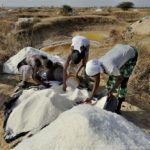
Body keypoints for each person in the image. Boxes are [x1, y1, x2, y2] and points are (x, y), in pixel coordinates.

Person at [85, 44, 138, 114]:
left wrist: (111, 91)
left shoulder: (110, 68)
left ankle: (118, 107)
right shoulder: (98, 64)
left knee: (123, 82)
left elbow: (120, 79)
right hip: (120, 50)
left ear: (97, 71)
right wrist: (91, 97)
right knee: (113, 77)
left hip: (131, 54)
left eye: (94, 75)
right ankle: (106, 97)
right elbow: (97, 81)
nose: (94, 77)